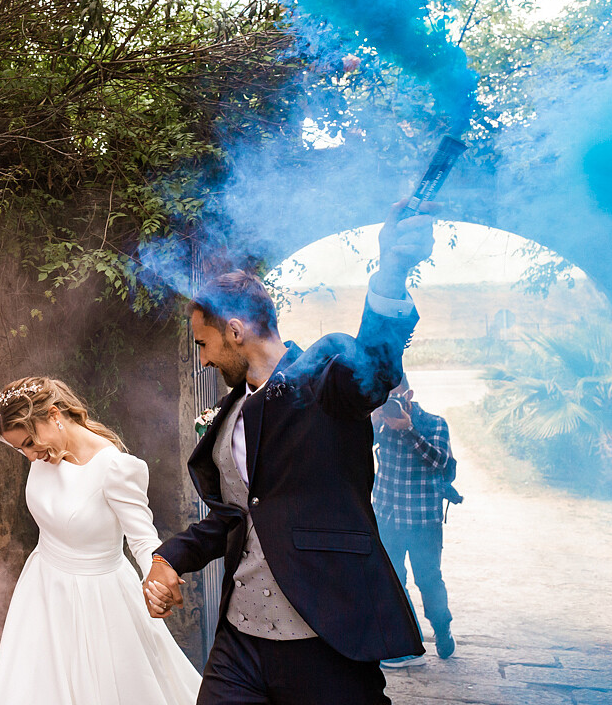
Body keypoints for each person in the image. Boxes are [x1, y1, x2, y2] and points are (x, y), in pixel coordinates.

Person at [142, 200, 436, 705]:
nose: (203, 359)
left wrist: (391, 272)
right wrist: (171, 557)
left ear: (235, 331)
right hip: (239, 642)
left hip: (327, 636)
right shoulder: (230, 411)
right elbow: (240, 513)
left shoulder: (324, 379)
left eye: (204, 344)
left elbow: (375, 368)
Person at [0, 363, 203, 705]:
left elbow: (142, 539)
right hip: (42, 590)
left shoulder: (116, 468)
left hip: (99, 601)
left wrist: (156, 577)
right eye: (22, 447)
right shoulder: (38, 444)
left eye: (30, 444)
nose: (29, 455)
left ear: (54, 415)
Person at [372, 377, 456, 665]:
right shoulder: (379, 423)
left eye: (394, 398)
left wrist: (408, 430)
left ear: (408, 395)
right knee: (392, 582)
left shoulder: (435, 423)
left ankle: (442, 628)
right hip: (387, 516)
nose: (391, 404)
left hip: (423, 520)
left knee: (428, 581)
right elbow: (350, 451)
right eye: (384, 398)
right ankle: (410, 642)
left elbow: (439, 462)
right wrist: (372, 421)